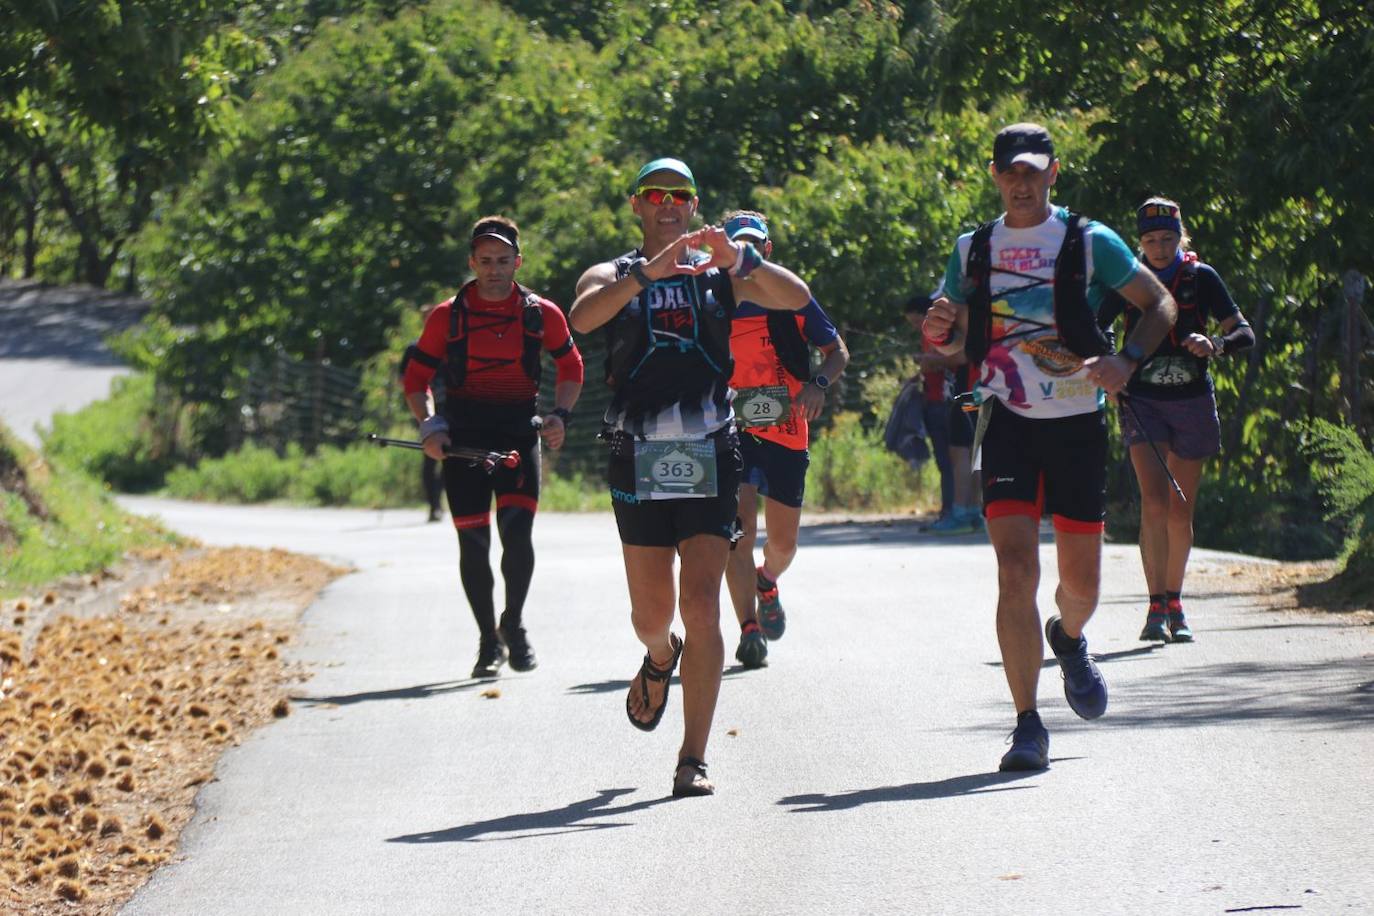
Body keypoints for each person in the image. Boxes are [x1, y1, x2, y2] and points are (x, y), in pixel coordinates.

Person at [923, 123, 1177, 772]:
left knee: (1080, 587)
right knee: (1014, 571)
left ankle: (1066, 637)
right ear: (994, 174)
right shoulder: (973, 248)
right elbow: (953, 332)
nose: (1022, 183)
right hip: (1003, 418)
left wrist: (1127, 361)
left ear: (1053, 173)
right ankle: (1026, 725)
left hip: (1075, 423)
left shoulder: (1090, 241)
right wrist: (942, 327)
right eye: (1011, 171)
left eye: (1033, 171)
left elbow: (1159, 303)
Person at [569, 159, 812, 796]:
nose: (669, 204)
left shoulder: (720, 274)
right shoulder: (611, 272)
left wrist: (741, 262)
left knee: (700, 604)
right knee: (652, 615)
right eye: (656, 195)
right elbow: (583, 318)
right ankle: (658, 657)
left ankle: (692, 758)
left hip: (711, 451)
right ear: (637, 206)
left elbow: (798, 298)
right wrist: (645, 275)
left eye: (680, 195)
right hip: (636, 455)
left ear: (695, 205)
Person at [403, 216, 584, 679]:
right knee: (474, 542)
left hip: (517, 436)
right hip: (463, 440)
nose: (494, 270)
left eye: (503, 260)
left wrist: (560, 416)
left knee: (518, 534)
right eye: (485, 261)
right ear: (472, 262)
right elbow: (416, 379)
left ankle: (514, 623)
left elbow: (571, 366)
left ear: (518, 262)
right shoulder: (447, 316)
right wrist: (430, 428)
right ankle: (488, 640)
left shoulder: (541, 312)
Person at [1098, 198, 1255, 643]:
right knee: (1154, 503)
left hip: (1192, 402)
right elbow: (1097, 326)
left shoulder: (1200, 278)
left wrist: (1215, 344)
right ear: (1140, 242)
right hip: (1142, 401)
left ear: (1181, 237)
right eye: (1151, 240)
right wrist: (1113, 366)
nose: (1160, 248)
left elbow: (1243, 331)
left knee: (1180, 508)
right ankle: (1154, 607)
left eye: (1168, 239)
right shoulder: (1128, 279)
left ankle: (1176, 601)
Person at [720, 210, 849, 669]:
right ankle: (748, 630)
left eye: (752, 247)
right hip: (729, 425)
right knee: (738, 533)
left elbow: (837, 353)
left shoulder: (791, 297)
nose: (743, 255)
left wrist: (817, 384)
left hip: (787, 423)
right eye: (735, 246)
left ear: (765, 252)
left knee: (783, 544)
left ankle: (768, 580)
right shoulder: (712, 297)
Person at [903, 294, 979, 533]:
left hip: (966, 388)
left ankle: (961, 512)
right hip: (974, 388)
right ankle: (973, 510)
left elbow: (965, 354)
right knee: (970, 450)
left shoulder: (961, 316)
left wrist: (933, 361)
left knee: (959, 452)